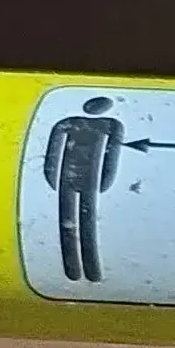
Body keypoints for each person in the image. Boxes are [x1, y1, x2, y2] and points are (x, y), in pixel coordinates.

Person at [41, 97, 123, 282]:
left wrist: (51, 172)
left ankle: (83, 271)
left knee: (76, 220)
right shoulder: (103, 124)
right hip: (80, 178)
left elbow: (112, 152)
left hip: (77, 178)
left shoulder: (83, 123)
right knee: (78, 220)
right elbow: (112, 153)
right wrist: (106, 178)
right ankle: (80, 270)